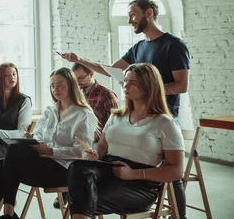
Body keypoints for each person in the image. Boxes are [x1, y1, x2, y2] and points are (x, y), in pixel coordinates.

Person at [60, 0, 190, 218]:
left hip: (161, 114)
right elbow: (112, 70)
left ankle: (179, 215)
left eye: (133, 14)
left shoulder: (173, 45)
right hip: (133, 114)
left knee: (172, 172)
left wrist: (150, 91)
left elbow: (181, 85)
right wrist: (80, 59)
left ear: (148, 13)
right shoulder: (139, 47)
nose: (130, 20)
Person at [68, 63, 185, 219]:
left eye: (133, 82)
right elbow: (102, 148)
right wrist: (95, 153)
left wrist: (134, 174)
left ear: (148, 87)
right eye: (125, 81)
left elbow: (176, 171)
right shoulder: (116, 116)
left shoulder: (165, 123)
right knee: (77, 167)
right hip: (110, 171)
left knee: (82, 199)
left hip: (140, 184)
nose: (125, 86)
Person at [0, 67, 97, 219]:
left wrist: (51, 151)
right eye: (52, 86)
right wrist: (31, 137)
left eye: (60, 85)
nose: (55, 89)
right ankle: (1, 213)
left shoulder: (83, 114)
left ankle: (1, 213)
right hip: (42, 164)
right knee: (3, 163)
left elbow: (81, 151)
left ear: (71, 84)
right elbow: (39, 136)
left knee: (5, 162)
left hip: (65, 171)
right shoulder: (50, 111)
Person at [0, 63, 32, 165]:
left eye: (14, 74)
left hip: (10, 147)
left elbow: (21, 134)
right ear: (0, 78)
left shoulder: (24, 100)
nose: (11, 77)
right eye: (6, 75)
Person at [72, 63, 119, 142]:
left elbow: (115, 127)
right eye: (74, 79)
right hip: (78, 143)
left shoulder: (107, 95)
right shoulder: (75, 95)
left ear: (91, 74)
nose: (77, 82)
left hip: (99, 145)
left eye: (81, 78)